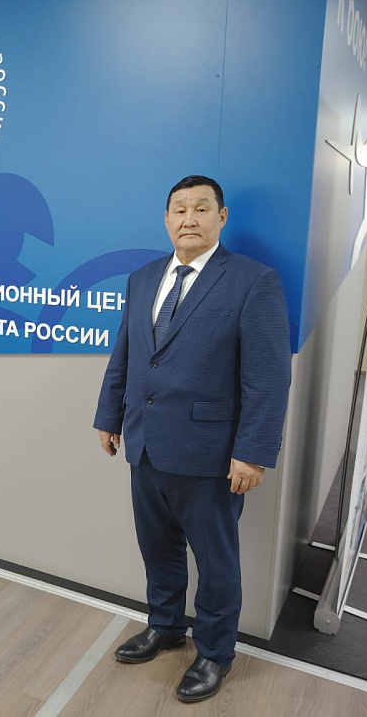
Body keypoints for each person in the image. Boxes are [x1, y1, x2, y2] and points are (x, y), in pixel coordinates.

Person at [94, 175, 291, 703]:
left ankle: (214, 653)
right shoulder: (142, 279)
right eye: (179, 210)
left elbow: (269, 378)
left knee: (216, 561)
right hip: (145, 443)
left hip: (210, 453)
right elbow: (125, 354)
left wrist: (252, 452)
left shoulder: (253, 282)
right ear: (166, 219)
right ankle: (164, 626)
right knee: (157, 548)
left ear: (221, 218)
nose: (189, 219)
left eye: (201, 209)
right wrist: (109, 415)